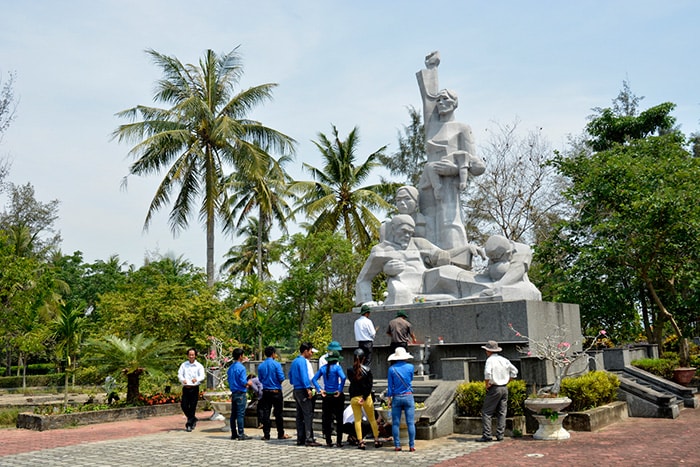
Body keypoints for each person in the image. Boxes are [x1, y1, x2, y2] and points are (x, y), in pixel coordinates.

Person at [415, 50, 486, 251]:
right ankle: (431, 259)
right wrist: (432, 69)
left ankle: (456, 258)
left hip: (450, 183)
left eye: (445, 99)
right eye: (439, 100)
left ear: (455, 103)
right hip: (429, 181)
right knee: (427, 221)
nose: (440, 103)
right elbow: (427, 99)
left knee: (450, 221)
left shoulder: (463, 128)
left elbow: (475, 164)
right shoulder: (432, 126)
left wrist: (456, 169)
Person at [477, 340, 518, 442]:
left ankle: (487, 435)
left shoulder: (490, 360)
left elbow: (487, 374)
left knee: (487, 412)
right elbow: (514, 372)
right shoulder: (504, 360)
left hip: (494, 388)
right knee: (502, 412)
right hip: (504, 387)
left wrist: (487, 384)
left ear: (488, 351)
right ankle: (500, 435)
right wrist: (508, 380)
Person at [347, 348, 382, 450]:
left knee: (357, 420)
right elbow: (369, 386)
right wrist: (364, 397)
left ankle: (360, 441)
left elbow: (352, 382)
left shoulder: (349, 370)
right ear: (364, 358)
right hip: (366, 398)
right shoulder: (367, 370)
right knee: (372, 419)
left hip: (354, 397)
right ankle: (376, 439)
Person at [311, 350, 347, 447]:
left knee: (327, 419)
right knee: (339, 419)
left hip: (326, 395)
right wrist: (340, 389)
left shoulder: (323, 368)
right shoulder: (337, 368)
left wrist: (320, 390)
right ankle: (339, 441)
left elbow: (314, 379)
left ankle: (328, 441)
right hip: (336, 395)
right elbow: (343, 378)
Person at [288, 342, 321, 446]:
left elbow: (290, 376)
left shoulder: (294, 361)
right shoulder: (303, 361)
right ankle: (309, 438)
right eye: (311, 351)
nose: (311, 354)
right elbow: (304, 375)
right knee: (307, 414)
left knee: (299, 415)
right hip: (303, 390)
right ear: (306, 351)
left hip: (296, 390)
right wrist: (308, 389)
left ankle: (300, 438)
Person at [385, 346, 416, 452]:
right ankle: (411, 445)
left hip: (396, 397)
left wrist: (389, 400)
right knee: (410, 422)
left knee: (396, 423)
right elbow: (411, 379)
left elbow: (390, 386)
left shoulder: (391, 369)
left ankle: (397, 445)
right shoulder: (411, 367)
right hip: (408, 395)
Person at [257, 346, 291, 441]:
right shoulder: (276, 365)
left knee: (266, 413)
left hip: (266, 392)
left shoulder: (261, 366)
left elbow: (260, 379)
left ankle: (266, 434)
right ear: (273, 354)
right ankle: (280, 433)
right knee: (278, 413)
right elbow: (281, 378)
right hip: (276, 391)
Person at [227, 348, 253, 440]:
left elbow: (229, 380)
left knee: (233, 415)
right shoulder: (241, 367)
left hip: (234, 392)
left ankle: (234, 433)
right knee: (240, 414)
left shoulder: (231, 368)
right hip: (241, 393)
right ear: (240, 356)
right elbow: (243, 381)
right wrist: (248, 383)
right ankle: (241, 433)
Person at [177, 347, 205, 432]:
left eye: (193, 355)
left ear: (195, 355)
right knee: (184, 405)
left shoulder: (199, 366)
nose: (191, 356)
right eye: (190, 355)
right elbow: (179, 374)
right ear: (187, 356)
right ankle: (193, 419)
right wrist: (182, 380)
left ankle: (189, 424)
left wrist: (197, 379)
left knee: (192, 406)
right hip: (186, 388)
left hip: (194, 388)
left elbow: (202, 376)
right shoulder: (184, 365)